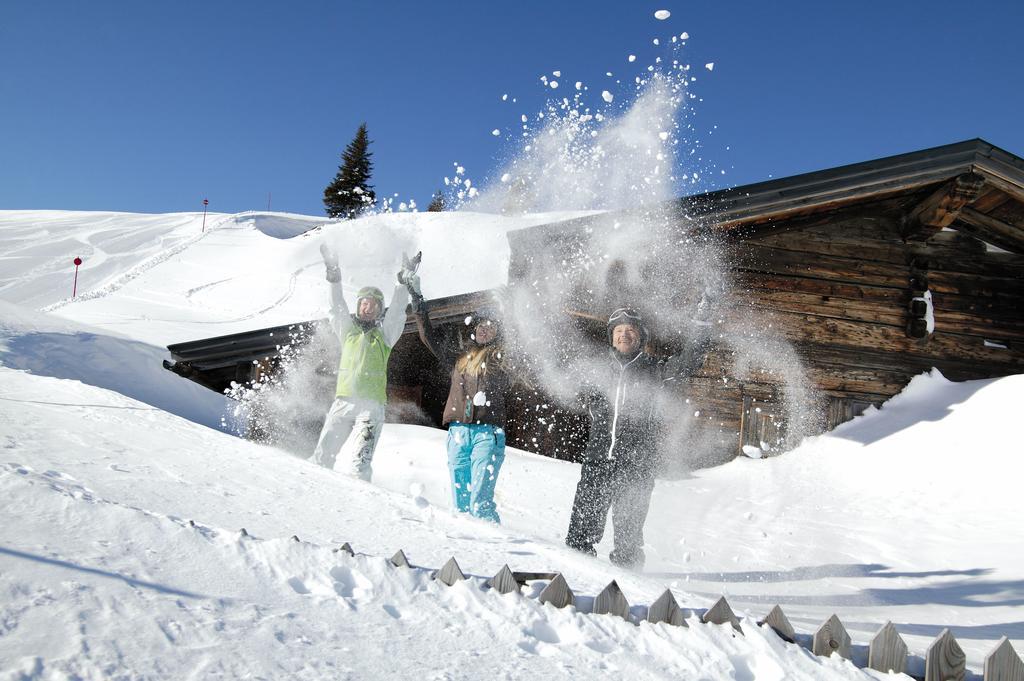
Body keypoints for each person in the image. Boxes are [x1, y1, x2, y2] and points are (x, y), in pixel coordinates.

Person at [565, 305, 712, 568]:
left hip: (637, 465)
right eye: (618, 330)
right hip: (598, 460)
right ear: (611, 336)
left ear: (640, 337)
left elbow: (689, 362)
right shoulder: (598, 371)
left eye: (630, 330)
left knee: (629, 540)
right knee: (580, 533)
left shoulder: (655, 370)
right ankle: (574, 583)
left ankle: (631, 591)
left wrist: (701, 323)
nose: (624, 335)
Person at [311, 243, 415, 480]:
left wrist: (402, 282)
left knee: (360, 462)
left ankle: (363, 505)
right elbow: (336, 307)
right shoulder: (348, 332)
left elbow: (398, 310)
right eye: (363, 304)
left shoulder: (385, 335)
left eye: (373, 305)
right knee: (322, 456)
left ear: (379, 310)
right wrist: (334, 277)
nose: (367, 308)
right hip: (343, 400)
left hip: (371, 406)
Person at [410, 290, 512, 523]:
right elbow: (429, 338)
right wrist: (418, 304)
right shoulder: (459, 358)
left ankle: (495, 548)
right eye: (480, 326)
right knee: (461, 501)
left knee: (480, 499)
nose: (484, 329)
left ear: (498, 333)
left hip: (487, 434)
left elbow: (517, 348)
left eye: (491, 326)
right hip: (458, 432)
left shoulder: (501, 360)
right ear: (474, 329)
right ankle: (467, 546)